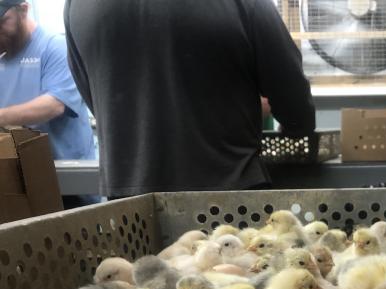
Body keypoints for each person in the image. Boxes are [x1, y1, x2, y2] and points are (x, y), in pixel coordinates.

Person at [64, 0, 316, 199]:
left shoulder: (77, 5)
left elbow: (95, 99)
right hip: (228, 195)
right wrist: (296, 125)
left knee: (140, 265)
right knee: (231, 265)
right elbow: (290, 91)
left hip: (129, 198)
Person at [0, 0, 95, 162]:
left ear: (23, 10)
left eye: (1, 22)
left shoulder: (55, 47)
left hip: (65, 170)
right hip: (21, 166)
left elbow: (54, 105)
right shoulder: (3, 56)